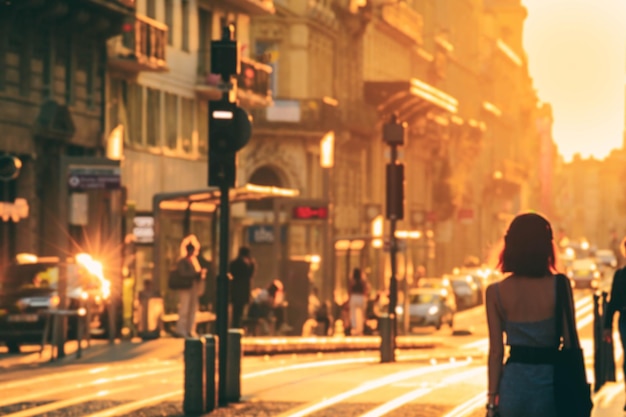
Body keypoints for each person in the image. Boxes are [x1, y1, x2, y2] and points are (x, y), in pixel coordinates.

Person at [485, 212, 577, 417]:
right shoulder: (559, 285)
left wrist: (492, 400)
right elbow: (570, 342)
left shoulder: (496, 292)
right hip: (551, 385)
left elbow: (496, 352)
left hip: (513, 387)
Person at [603, 236, 626, 407]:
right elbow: (613, 303)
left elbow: (613, 304)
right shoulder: (620, 275)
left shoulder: (620, 275)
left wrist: (607, 327)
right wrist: (607, 327)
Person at [175, 235, 206, 338]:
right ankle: (181, 329)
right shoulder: (182, 261)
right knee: (184, 308)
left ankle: (190, 329)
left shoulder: (194, 260)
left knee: (193, 309)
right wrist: (194, 274)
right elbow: (183, 273)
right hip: (185, 287)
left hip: (193, 287)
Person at [229, 246, 256, 328]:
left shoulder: (234, 263)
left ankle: (236, 326)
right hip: (242, 290)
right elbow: (250, 274)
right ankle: (238, 326)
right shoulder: (247, 264)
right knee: (240, 311)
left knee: (236, 312)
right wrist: (251, 264)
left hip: (235, 290)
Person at [348, 268, 369, 336]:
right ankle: (360, 329)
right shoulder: (363, 281)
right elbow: (365, 290)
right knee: (362, 314)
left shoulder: (352, 281)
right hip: (361, 297)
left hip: (354, 297)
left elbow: (350, 290)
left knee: (353, 314)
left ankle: (354, 328)